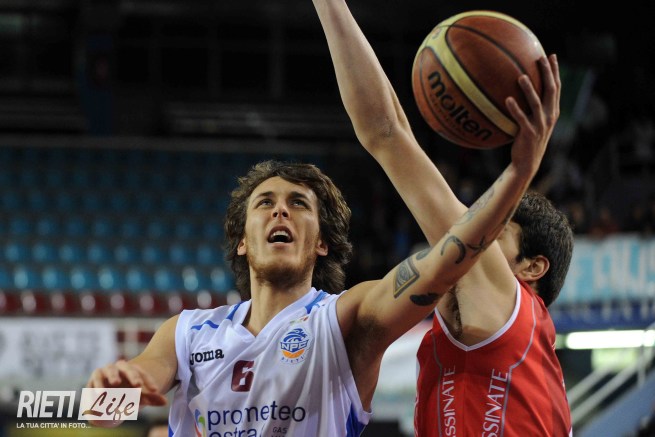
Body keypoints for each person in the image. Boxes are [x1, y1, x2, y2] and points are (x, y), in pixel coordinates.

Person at [86, 7, 555, 437]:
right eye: (265, 203)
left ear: (322, 243)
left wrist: (517, 175)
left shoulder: (346, 322)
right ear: (242, 240)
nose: (280, 210)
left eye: (298, 203)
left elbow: (444, 263)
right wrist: (111, 392)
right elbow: (103, 409)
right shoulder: (187, 332)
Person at [313, 0, 574, 435]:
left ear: (531, 268)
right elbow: (385, 132)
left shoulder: (511, 309)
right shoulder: (493, 344)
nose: (469, 229)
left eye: (496, 232)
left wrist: (520, 171)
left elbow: (386, 133)